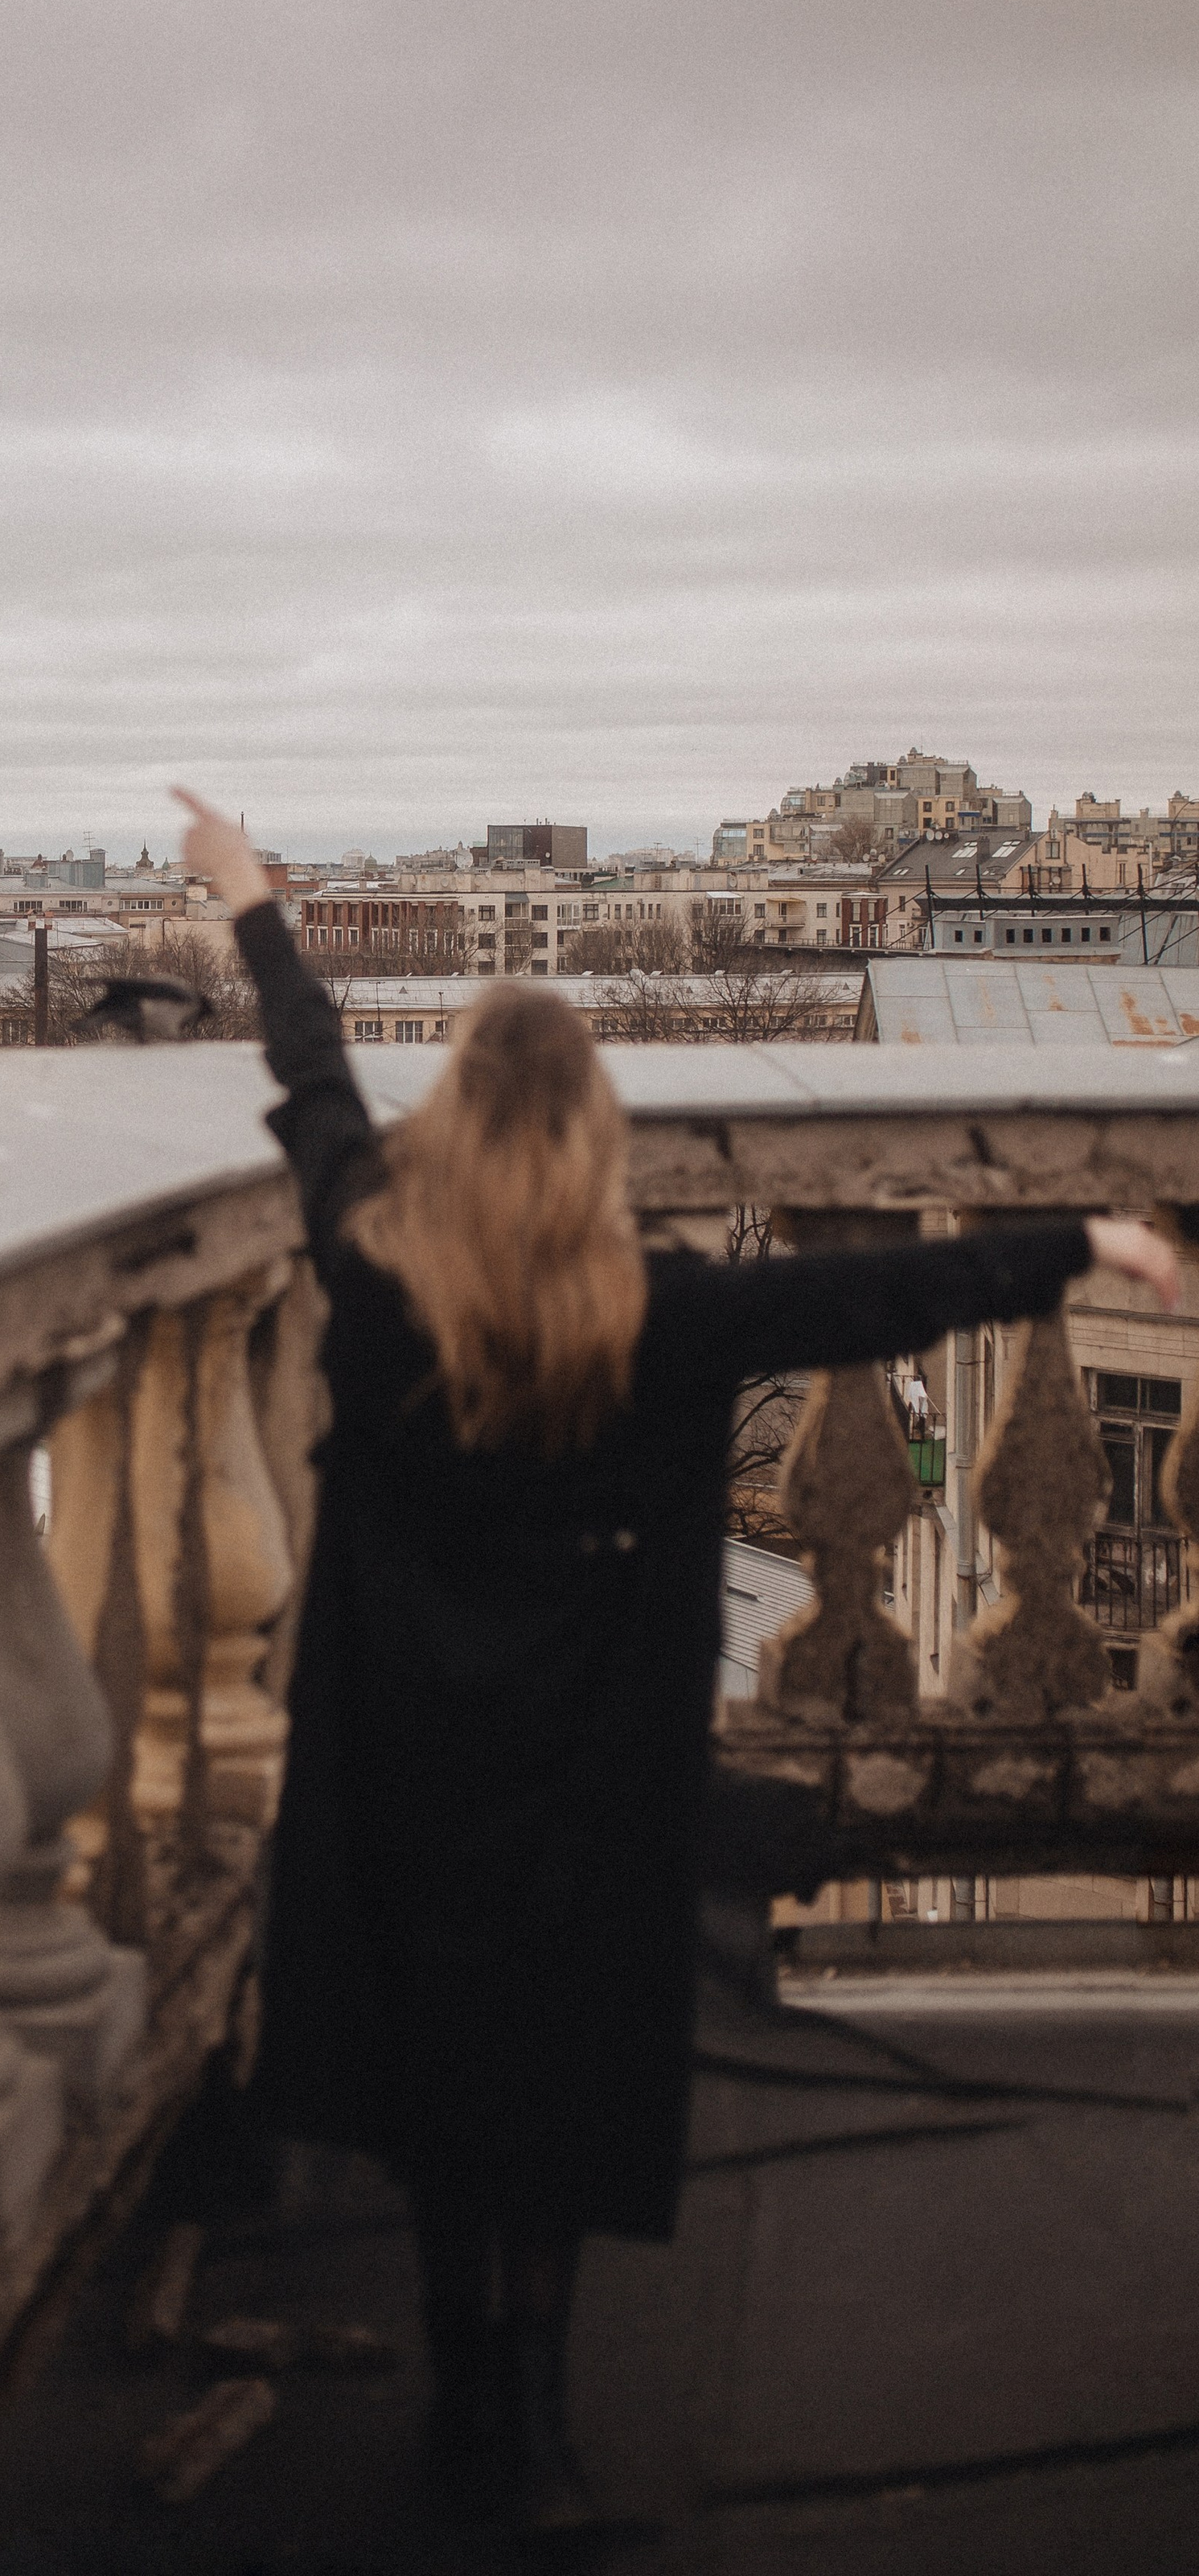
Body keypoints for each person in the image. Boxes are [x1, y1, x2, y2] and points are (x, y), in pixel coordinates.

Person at [174, 791, 1180, 2533]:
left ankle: (462, 2405)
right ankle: (541, 2432)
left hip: (406, 1764)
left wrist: (252, 898)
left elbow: (319, 1086)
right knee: (550, 2093)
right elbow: (880, 1305)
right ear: (586, 1149)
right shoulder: (665, 1315)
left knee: (431, 2095)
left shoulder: (370, 1259)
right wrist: (1085, 1240)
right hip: (584, 1783)